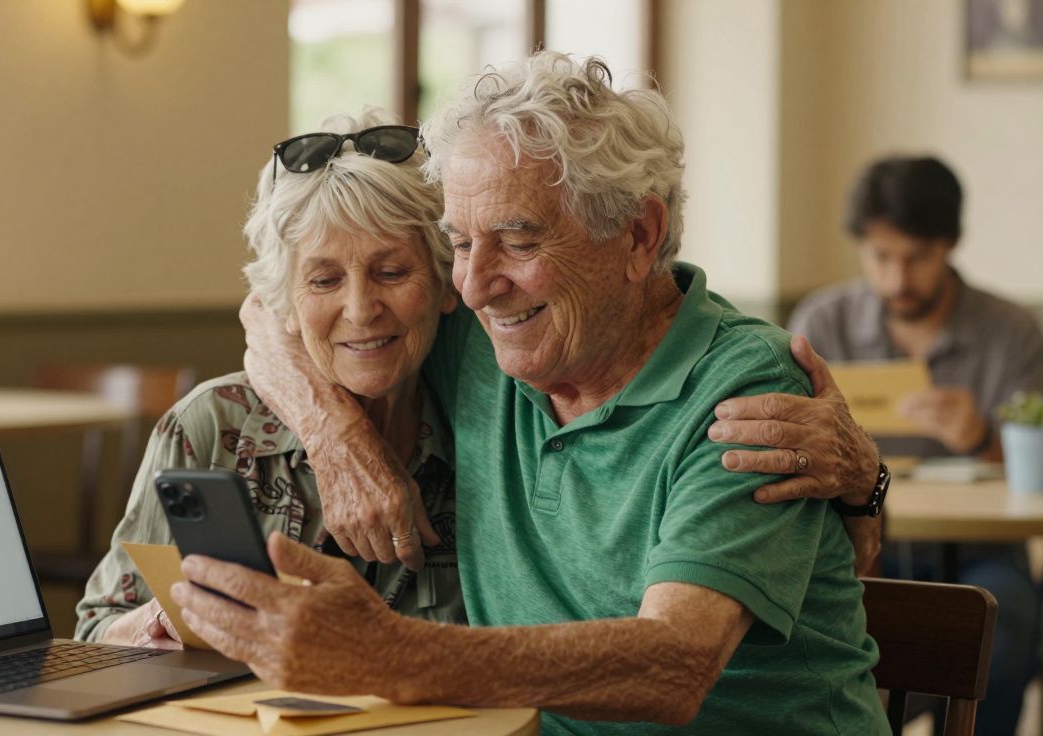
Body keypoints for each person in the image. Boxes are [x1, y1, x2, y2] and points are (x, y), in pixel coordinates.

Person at [174, 53, 890, 734]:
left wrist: (387, 653)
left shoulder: (745, 390)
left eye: (518, 241)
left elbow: (674, 666)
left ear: (639, 235)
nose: (477, 285)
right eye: (458, 243)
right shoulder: (490, 334)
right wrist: (336, 438)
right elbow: (269, 316)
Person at [76, 107, 467, 648]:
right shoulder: (213, 425)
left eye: (391, 272)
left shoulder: (485, 425)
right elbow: (95, 633)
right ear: (282, 303)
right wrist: (162, 621)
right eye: (324, 279)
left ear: (447, 280)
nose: (360, 309)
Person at [790, 155, 1043, 735]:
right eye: (881, 258)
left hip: (980, 550)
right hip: (852, 540)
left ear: (950, 244)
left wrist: (981, 437)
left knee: (1007, 617)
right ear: (861, 247)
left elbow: (1034, 468)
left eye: (916, 259)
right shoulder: (821, 323)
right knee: (825, 618)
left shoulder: (1011, 332)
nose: (898, 279)